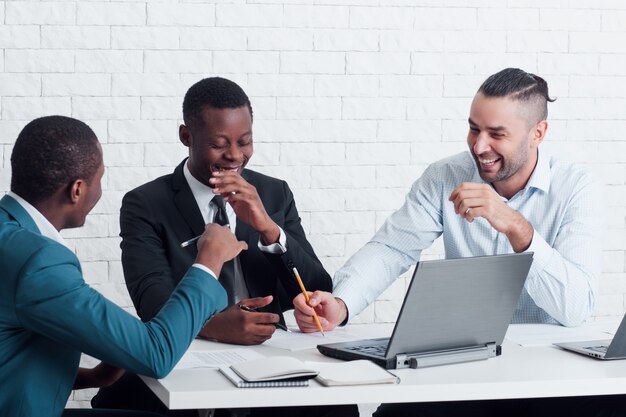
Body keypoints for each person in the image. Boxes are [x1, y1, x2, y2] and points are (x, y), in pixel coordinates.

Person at [293, 68, 622, 416]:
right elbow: (391, 249)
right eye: (473, 129)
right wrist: (342, 303)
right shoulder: (444, 176)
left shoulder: (577, 188)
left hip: (546, 372)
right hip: (464, 361)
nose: (479, 147)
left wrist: (516, 227)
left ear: (537, 133)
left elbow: (575, 309)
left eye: (497, 134)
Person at [93, 77, 355, 417]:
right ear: (186, 137)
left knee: (338, 408)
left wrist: (268, 228)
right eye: (220, 144)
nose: (235, 155)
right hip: (185, 355)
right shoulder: (146, 203)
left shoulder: (274, 193)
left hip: (268, 358)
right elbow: (151, 301)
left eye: (245, 142)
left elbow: (319, 288)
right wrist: (214, 325)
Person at [0, 115, 247, 417]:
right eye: (99, 179)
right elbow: (156, 354)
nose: (99, 190)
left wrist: (93, 378)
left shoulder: (10, 236)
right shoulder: (38, 262)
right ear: (76, 189)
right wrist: (210, 259)